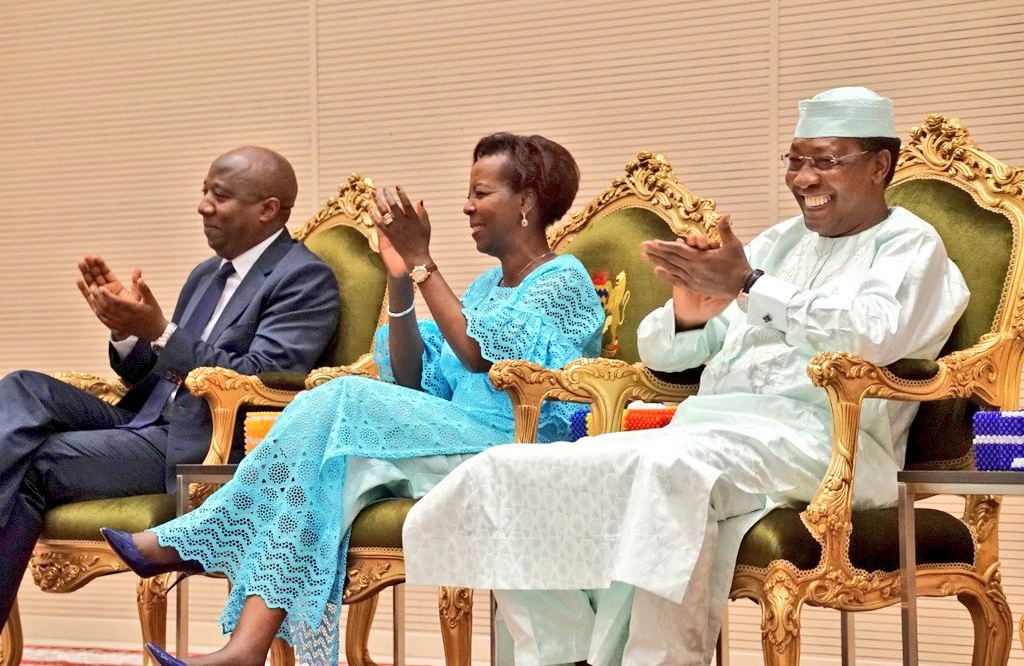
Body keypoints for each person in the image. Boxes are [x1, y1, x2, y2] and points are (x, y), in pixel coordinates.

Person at [402, 88, 972, 665]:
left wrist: (750, 286)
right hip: (709, 429)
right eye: (796, 160)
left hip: (824, 441)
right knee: (509, 469)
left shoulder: (910, 245)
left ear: (879, 165)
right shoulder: (779, 243)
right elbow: (663, 352)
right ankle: (561, 653)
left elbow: (874, 335)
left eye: (825, 161)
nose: (804, 178)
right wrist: (690, 312)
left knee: (666, 473)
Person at [100, 133, 605, 666]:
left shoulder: (562, 279)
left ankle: (200, 533)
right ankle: (245, 649)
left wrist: (422, 261)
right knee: (323, 471)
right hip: (456, 437)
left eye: (480, 193)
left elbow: (478, 354)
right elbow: (411, 377)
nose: (466, 206)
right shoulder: (484, 287)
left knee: (342, 396)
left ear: (526, 201)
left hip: (515, 443)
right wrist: (401, 279)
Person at [0, 146, 340, 626]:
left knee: (37, 459)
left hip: (202, 441)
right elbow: (156, 374)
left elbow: (260, 377)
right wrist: (127, 332)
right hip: (144, 417)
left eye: (219, 196)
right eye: (204, 192)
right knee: (23, 387)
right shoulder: (206, 275)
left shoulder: (303, 278)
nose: (203, 206)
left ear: (267, 209)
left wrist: (160, 330)